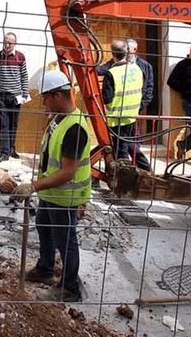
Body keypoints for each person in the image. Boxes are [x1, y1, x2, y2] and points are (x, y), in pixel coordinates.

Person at [12, 71, 91, 302]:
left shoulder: (75, 128)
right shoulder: (58, 118)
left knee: (66, 241)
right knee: (44, 229)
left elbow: (68, 172)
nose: (43, 102)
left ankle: (69, 289)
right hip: (51, 193)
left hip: (66, 197)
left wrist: (33, 186)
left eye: (46, 97)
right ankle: (45, 269)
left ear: (58, 95)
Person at [102, 40, 152, 171]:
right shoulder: (137, 69)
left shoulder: (112, 73)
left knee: (121, 153)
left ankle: (124, 180)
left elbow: (107, 98)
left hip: (116, 119)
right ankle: (145, 170)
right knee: (128, 146)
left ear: (113, 55)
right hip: (132, 117)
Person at [0, 32, 29, 163]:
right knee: (3, 125)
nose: (7, 45)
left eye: (10, 43)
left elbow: (24, 76)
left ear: (15, 43)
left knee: (13, 124)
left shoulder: (20, 57)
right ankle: (4, 153)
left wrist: (24, 95)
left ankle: (12, 149)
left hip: (16, 97)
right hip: (1, 97)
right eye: (5, 42)